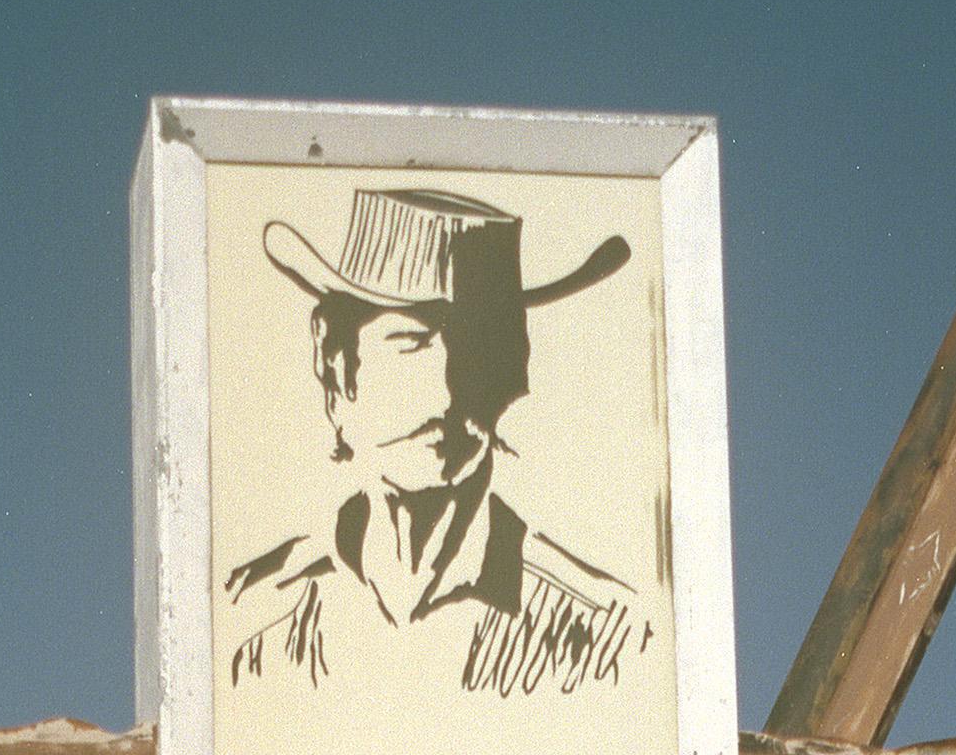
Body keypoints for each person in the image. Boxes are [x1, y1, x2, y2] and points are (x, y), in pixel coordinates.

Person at [223, 185, 646, 703]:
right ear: (335, 369)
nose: (449, 390)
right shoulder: (254, 613)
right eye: (413, 343)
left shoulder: (598, 628)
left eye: (478, 346)